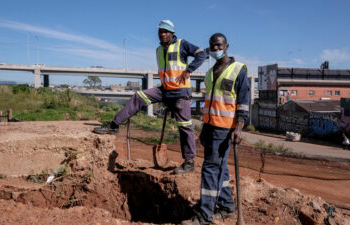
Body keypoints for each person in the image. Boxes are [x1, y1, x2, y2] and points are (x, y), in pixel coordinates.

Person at [94, 20, 207, 174]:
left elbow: (202, 54)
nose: (163, 34)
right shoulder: (158, 50)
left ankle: (189, 162)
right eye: (161, 31)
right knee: (138, 96)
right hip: (165, 90)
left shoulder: (182, 44)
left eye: (166, 31)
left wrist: (189, 70)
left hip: (180, 92)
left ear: (172, 33)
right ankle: (113, 126)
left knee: (185, 126)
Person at [181, 33, 250, 224]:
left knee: (210, 169)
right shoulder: (210, 73)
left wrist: (239, 128)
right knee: (221, 168)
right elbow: (211, 102)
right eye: (213, 47)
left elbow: (244, 103)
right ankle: (227, 206)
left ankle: (205, 216)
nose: (216, 50)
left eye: (219, 46)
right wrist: (204, 128)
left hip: (225, 129)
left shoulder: (238, 70)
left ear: (227, 46)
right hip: (210, 127)